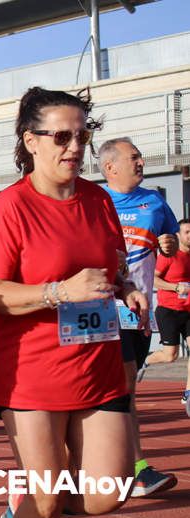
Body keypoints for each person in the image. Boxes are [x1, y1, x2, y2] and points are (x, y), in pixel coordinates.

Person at [0, 87, 141, 518]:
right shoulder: (11, 207)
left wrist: (127, 289)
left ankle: (26, 501)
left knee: (111, 493)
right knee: (44, 509)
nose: (75, 148)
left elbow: (112, 265)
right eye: (62, 137)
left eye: (83, 136)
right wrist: (58, 292)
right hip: (35, 374)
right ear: (31, 141)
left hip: (97, 365)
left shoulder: (99, 201)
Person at [100, 137, 180, 496]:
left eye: (140, 156)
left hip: (140, 309)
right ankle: (133, 468)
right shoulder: (95, 202)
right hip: (105, 308)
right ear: (110, 167)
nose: (141, 161)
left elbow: (173, 240)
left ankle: (115, 466)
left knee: (125, 389)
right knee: (123, 384)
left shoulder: (155, 201)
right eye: (133, 157)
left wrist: (170, 245)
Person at [145, 219, 190, 418]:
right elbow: (153, 279)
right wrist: (175, 287)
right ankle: (143, 362)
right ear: (178, 235)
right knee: (170, 355)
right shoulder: (168, 255)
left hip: (189, 311)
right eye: (187, 232)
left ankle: (188, 393)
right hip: (169, 310)